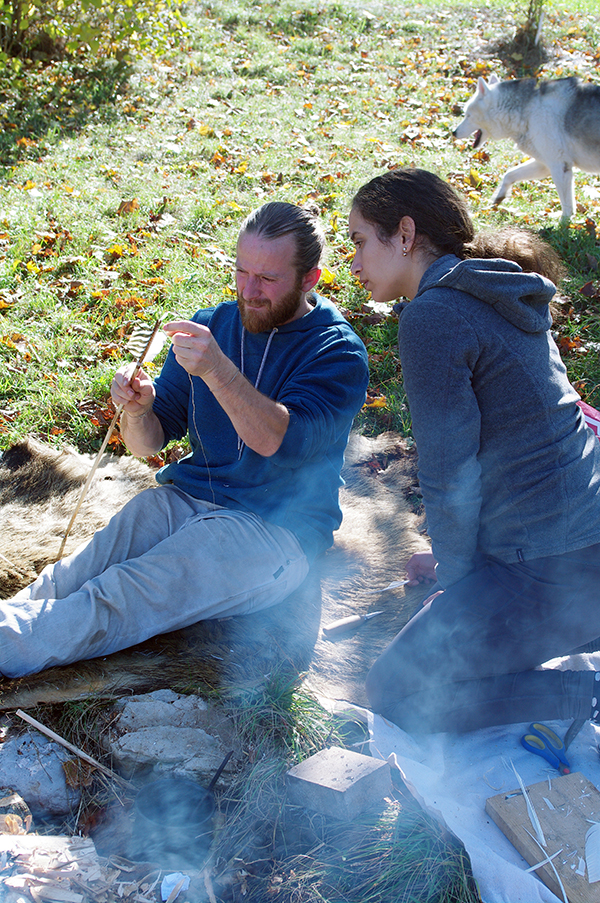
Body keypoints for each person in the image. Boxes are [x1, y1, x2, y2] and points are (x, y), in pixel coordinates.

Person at [0, 201, 369, 678]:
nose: (249, 291)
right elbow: (146, 444)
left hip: (273, 528)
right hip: (187, 499)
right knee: (71, 575)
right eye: (241, 272)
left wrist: (216, 369)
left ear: (310, 280)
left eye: (268, 279)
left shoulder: (336, 351)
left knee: (122, 594)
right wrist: (137, 409)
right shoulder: (214, 323)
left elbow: (277, 440)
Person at [349, 167, 600, 734]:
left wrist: (457, 589)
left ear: (406, 235)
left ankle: (586, 693)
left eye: (362, 241)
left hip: (552, 571)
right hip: (581, 550)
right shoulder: (486, 286)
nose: (356, 263)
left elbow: (449, 474)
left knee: (396, 692)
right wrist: (457, 565)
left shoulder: (435, 314)